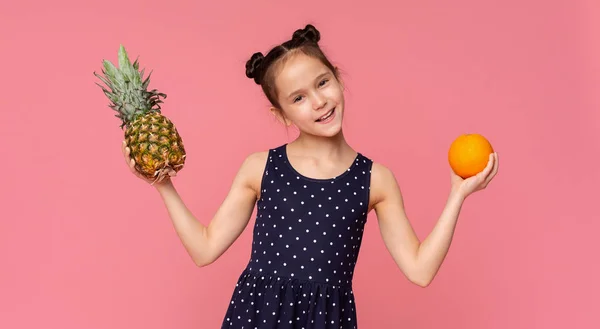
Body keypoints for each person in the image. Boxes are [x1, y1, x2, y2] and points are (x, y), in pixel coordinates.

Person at [121, 24, 499, 329]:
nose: (318, 101)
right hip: (256, 318)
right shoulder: (260, 168)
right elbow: (204, 249)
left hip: (327, 319)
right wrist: (163, 185)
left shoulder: (376, 180)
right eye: (298, 98)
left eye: (322, 83)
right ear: (282, 115)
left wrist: (457, 195)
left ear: (338, 79)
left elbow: (419, 271)